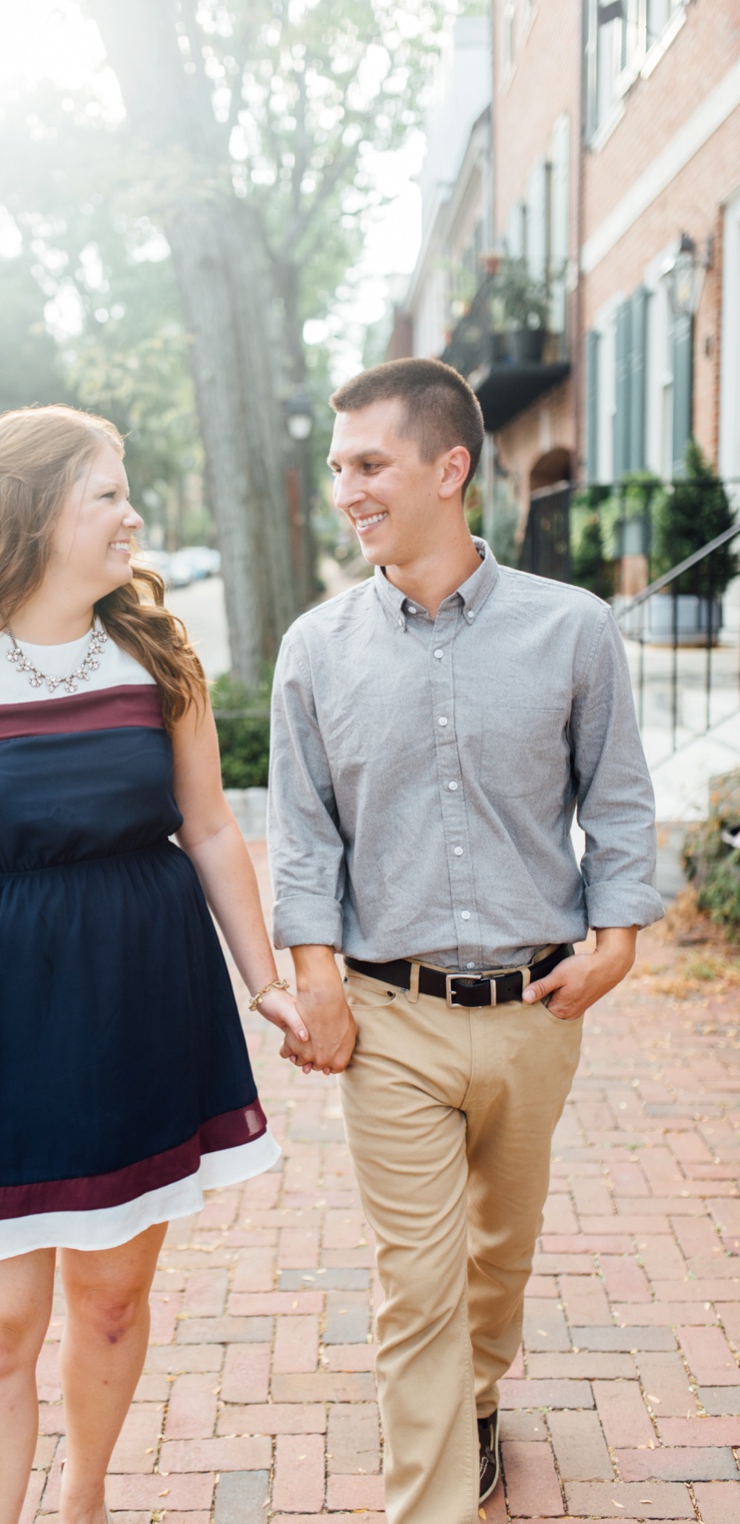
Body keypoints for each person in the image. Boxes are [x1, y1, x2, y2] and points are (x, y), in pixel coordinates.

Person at [0, 405, 299, 1524]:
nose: (131, 515)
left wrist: (264, 980)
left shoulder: (154, 654)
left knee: (114, 1302)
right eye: (106, 494)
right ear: (32, 513)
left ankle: (80, 1498)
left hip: (136, 1004)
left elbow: (212, 828)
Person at [269, 356, 662, 1523]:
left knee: (498, 1257)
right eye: (337, 466)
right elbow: (301, 835)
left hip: (538, 1011)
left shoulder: (573, 630)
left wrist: (617, 939)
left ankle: (479, 1396)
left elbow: (621, 802)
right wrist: (316, 979)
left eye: (368, 464)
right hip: (388, 1016)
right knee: (416, 1288)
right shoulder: (315, 648)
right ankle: (431, 1499)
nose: (346, 488)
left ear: (448, 469)